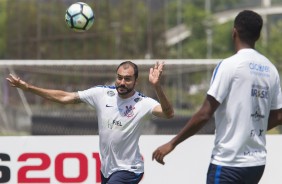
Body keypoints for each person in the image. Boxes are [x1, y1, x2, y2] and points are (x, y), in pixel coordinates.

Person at [152, 10, 282, 184]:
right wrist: (249, 128)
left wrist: (172, 143)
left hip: (229, 163)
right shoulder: (270, 69)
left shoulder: (229, 66)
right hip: (256, 164)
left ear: (234, 32)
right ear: (258, 36)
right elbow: (279, 115)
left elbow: (205, 113)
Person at [6, 61, 174, 184]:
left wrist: (157, 86)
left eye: (127, 79)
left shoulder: (142, 103)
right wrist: (28, 88)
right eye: (119, 78)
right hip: (107, 170)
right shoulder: (101, 94)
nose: (122, 82)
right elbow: (66, 97)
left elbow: (169, 114)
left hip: (128, 170)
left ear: (135, 81)